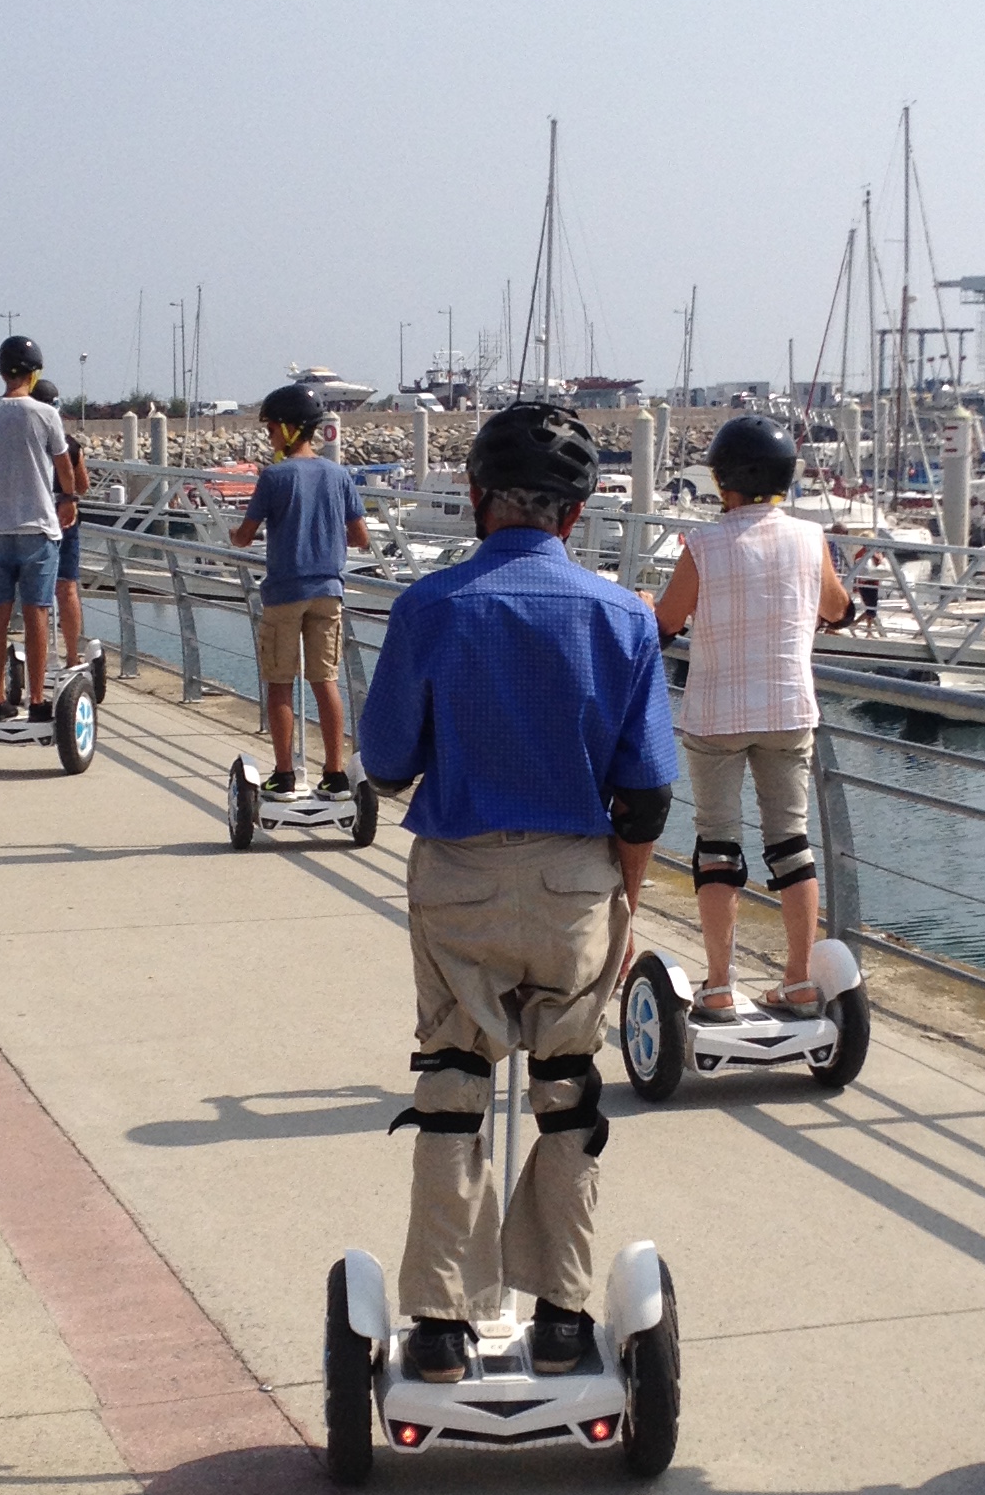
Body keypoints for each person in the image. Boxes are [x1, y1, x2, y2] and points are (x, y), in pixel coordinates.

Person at [357, 399, 677, 1380]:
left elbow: (382, 762)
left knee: (453, 1091)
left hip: (459, 874)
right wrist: (621, 911)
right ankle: (567, 1317)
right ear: (576, 517)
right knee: (569, 1096)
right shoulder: (623, 616)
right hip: (578, 879)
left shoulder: (430, 608)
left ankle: (445, 1328)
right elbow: (647, 795)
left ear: (474, 501)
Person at [653, 414, 854, 1018]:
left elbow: (666, 623)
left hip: (715, 715)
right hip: (789, 710)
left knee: (717, 845)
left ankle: (718, 985)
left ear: (723, 482)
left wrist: (644, 605)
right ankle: (796, 979)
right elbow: (838, 609)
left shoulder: (703, 544)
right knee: (791, 844)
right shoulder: (810, 538)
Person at [229, 382, 371, 791]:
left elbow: (245, 535)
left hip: (285, 593)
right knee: (325, 680)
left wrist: (237, 534)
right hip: (329, 591)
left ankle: (285, 774)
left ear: (290, 429)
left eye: (272, 428)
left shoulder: (274, 477)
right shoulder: (338, 474)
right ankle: (334, 773)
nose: (269, 435)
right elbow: (360, 537)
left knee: (279, 682)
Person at [0, 336, 70, 715]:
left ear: (1, 371)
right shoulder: (46, 414)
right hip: (37, 528)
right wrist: (70, 500)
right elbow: (64, 470)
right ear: (35, 372)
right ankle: (37, 699)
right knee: (36, 613)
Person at [52, 400, 89, 660]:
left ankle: (38, 653)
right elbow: (83, 485)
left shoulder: (27, 444)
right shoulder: (71, 446)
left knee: (35, 591)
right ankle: (73, 655)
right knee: (68, 588)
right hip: (65, 519)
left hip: (32, 517)